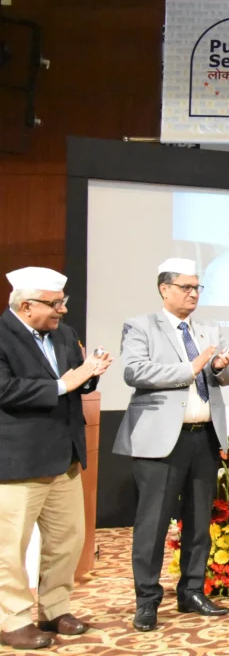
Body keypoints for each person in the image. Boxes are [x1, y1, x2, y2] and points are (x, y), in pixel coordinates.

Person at [114, 258, 229, 632]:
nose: (193, 294)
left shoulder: (207, 329)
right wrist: (191, 368)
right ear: (164, 289)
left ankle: (192, 592)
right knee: (152, 524)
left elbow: (228, 376)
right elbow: (134, 371)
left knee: (198, 522)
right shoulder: (140, 326)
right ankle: (147, 601)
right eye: (186, 287)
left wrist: (221, 365)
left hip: (204, 437)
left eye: (197, 287)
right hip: (160, 442)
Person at [0, 267, 110, 650]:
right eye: (55, 303)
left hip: (65, 459)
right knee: (10, 547)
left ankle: (54, 609)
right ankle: (13, 620)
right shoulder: (2, 336)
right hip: (19, 462)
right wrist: (66, 383)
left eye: (63, 302)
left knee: (67, 541)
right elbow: (6, 389)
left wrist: (91, 373)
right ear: (26, 306)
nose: (62, 310)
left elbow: (78, 382)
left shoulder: (64, 333)